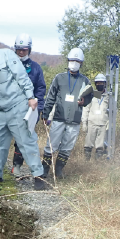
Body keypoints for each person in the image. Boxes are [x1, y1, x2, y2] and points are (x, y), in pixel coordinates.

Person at [0, 30, 47, 190]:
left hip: (17, 107)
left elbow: (22, 77)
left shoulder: (6, 55)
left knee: (26, 142)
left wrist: (31, 97)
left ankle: (39, 175)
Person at [41, 48, 93, 180]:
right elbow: (50, 97)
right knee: (51, 145)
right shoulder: (59, 78)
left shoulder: (84, 81)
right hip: (59, 117)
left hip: (74, 119)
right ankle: (44, 171)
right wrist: (45, 113)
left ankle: (58, 171)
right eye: (72, 60)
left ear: (81, 63)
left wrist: (84, 101)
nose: (74, 63)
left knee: (67, 147)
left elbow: (89, 96)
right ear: (68, 60)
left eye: (77, 61)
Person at [10, 34, 47, 178]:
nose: (21, 52)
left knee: (23, 139)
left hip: (27, 110)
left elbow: (40, 90)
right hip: (9, 107)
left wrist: (38, 109)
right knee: (0, 136)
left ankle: (17, 166)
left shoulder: (36, 68)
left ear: (29, 50)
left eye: (24, 50)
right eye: (18, 49)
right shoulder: (8, 65)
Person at [82, 73, 109, 161]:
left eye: (101, 83)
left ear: (105, 84)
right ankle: (86, 161)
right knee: (88, 144)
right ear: (95, 84)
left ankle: (98, 162)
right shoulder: (92, 95)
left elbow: (112, 110)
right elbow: (86, 109)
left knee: (100, 145)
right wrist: (84, 123)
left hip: (103, 124)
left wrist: (109, 122)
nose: (99, 85)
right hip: (91, 123)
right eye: (97, 83)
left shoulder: (108, 97)